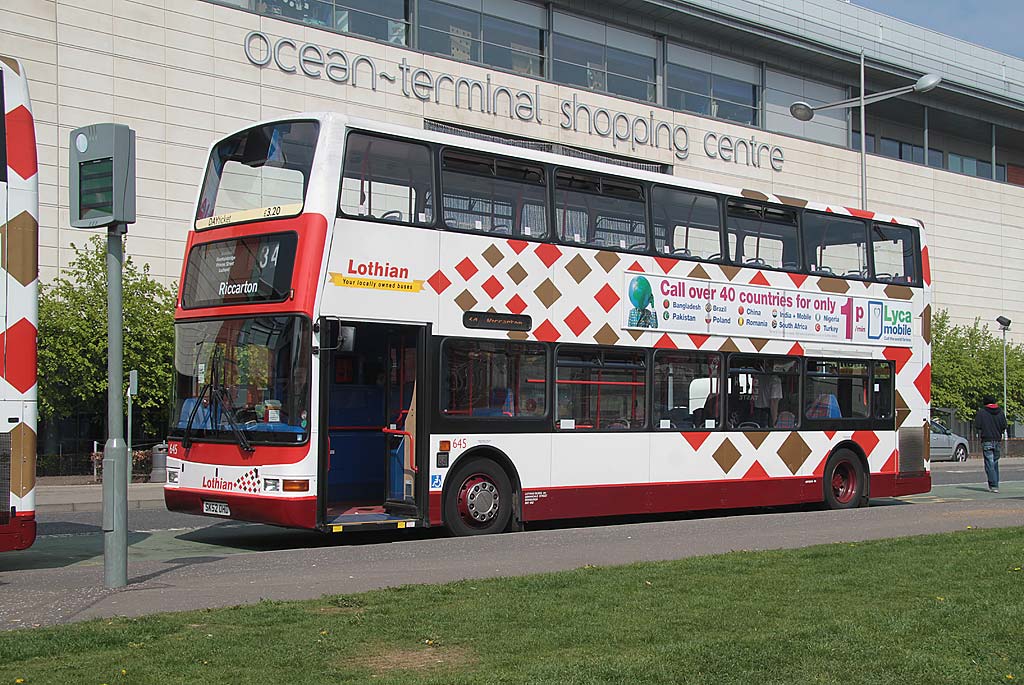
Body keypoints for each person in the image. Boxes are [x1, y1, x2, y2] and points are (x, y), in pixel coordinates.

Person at [974, 394, 1007, 493]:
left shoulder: (982, 412)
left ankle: (993, 485)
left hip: (987, 439)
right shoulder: (1000, 412)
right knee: (995, 462)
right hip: (997, 439)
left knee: (989, 463)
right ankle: (995, 483)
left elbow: (978, 425)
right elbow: (1004, 425)